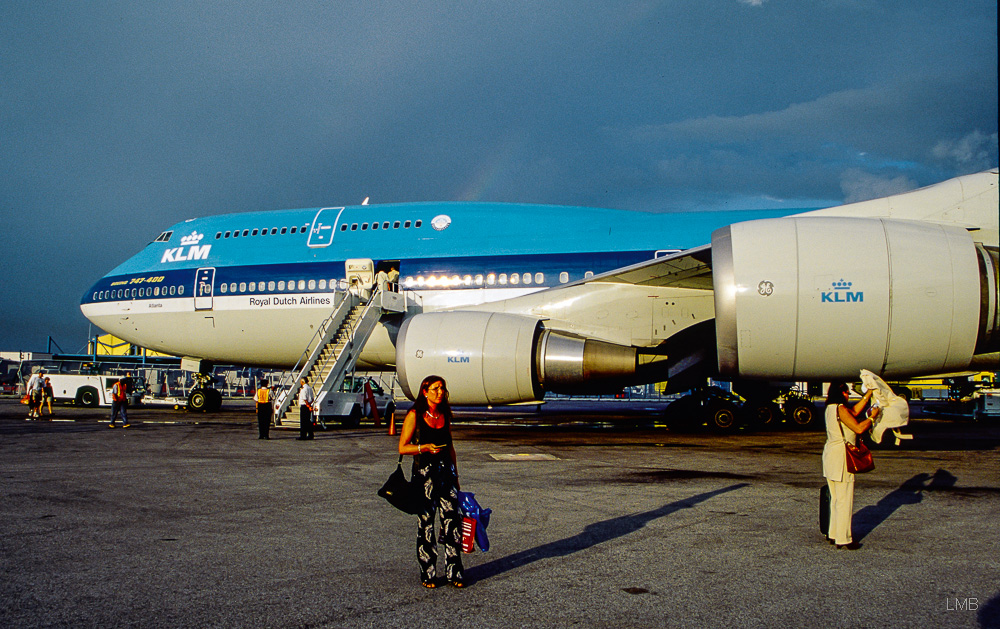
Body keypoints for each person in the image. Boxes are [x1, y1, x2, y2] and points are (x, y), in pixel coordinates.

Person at [398, 375, 465, 588]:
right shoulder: (414, 415)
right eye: (435, 388)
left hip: (446, 476)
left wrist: (456, 476)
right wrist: (424, 448)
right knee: (426, 525)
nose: (439, 392)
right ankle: (428, 572)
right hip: (424, 477)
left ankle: (455, 572)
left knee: (452, 523)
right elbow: (402, 447)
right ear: (425, 391)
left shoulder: (445, 414)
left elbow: (451, 447)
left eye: (442, 389)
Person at [822, 381, 878, 550]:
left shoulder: (831, 408)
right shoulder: (840, 408)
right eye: (847, 392)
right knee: (845, 500)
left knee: (836, 499)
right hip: (842, 458)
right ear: (842, 393)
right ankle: (844, 539)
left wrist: (867, 395)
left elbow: (853, 412)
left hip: (830, 455)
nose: (848, 395)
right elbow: (859, 428)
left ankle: (834, 534)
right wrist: (872, 417)